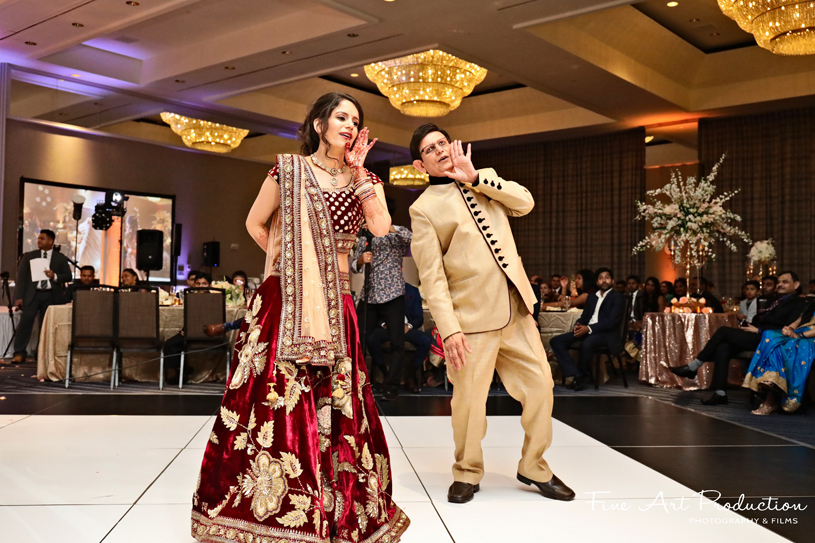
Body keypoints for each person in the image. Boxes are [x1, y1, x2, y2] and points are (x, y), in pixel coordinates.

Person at [191, 93, 408, 543]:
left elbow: (383, 228)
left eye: (355, 119)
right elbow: (256, 223)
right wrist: (293, 265)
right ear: (318, 124)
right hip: (287, 301)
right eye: (341, 117)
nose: (349, 125)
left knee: (340, 399)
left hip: (337, 304)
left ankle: (335, 501)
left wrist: (365, 176)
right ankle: (268, 509)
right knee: (274, 397)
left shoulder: (363, 177)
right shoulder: (286, 171)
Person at [409, 122, 573, 505]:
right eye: (430, 149)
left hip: (516, 313)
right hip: (469, 323)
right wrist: (449, 330)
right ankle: (467, 471)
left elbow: (525, 203)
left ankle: (534, 466)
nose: (440, 150)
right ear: (421, 165)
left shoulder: (486, 180)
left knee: (540, 387)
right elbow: (432, 278)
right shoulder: (424, 209)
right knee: (468, 403)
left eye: (443, 143)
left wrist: (477, 178)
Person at [671, 271, 810, 406]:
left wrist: (759, 330)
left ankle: (693, 366)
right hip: (757, 334)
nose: (779, 284)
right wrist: (751, 326)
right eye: (779, 282)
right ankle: (720, 393)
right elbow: (760, 318)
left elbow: (789, 329)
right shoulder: (773, 300)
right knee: (723, 346)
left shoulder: (800, 303)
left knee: (723, 332)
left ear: (796, 285)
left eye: (785, 282)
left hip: (773, 340)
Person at [351, 199, 412, 401]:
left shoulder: (397, 234)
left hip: (393, 293)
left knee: (397, 342)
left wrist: (388, 227)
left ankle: (391, 386)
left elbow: (414, 240)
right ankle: (358, 381)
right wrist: (361, 260)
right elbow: (353, 265)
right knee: (358, 338)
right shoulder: (365, 237)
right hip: (369, 294)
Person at [550, 268, 625, 391]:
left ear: (612, 281)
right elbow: (584, 316)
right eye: (601, 278)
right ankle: (577, 374)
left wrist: (589, 328)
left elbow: (611, 322)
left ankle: (581, 376)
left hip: (607, 334)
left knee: (588, 342)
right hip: (588, 331)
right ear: (597, 282)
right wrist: (579, 326)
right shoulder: (591, 297)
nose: (604, 280)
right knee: (556, 341)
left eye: (607, 278)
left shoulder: (617, 297)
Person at [743, 301, 815, 414]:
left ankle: (771, 394)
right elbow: (798, 321)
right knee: (769, 335)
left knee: (788, 346)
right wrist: (789, 329)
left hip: (810, 338)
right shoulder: (812, 305)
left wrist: (799, 335)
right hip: (798, 334)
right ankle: (771, 380)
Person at [12, 230, 72, 363]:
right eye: (38, 238)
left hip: (51, 295)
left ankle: (41, 354)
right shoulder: (29, 256)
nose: (39, 241)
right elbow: (21, 278)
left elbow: (69, 276)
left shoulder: (60, 258)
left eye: (42, 238)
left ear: (51, 241)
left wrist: (55, 276)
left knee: (46, 326)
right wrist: (19, 296)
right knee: (25, 323)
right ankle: (19, 352)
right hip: (32, 295)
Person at [366, 282, 431, 394]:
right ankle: (386, 376)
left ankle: (409, 377)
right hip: (388, 328)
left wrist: (409, 326)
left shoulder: (412, 290)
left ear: (401, 269)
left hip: (406, 328)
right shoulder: (382, 289)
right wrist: (384, 324)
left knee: (425, 340)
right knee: (372, 339)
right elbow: (376, 314)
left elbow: (419, 318)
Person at [163, 273, 213, 384]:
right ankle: (181, 371)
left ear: (210, 284)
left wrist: (187, 330)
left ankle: (182, 371)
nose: (200, 286)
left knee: (171, 344)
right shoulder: (192, 298)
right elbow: (192, 317)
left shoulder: (214, 299)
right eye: (198, 284)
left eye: (204, 284)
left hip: (205, 333)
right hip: (193, 332)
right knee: (171, 344)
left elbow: (204, 318)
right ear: (194, 285)